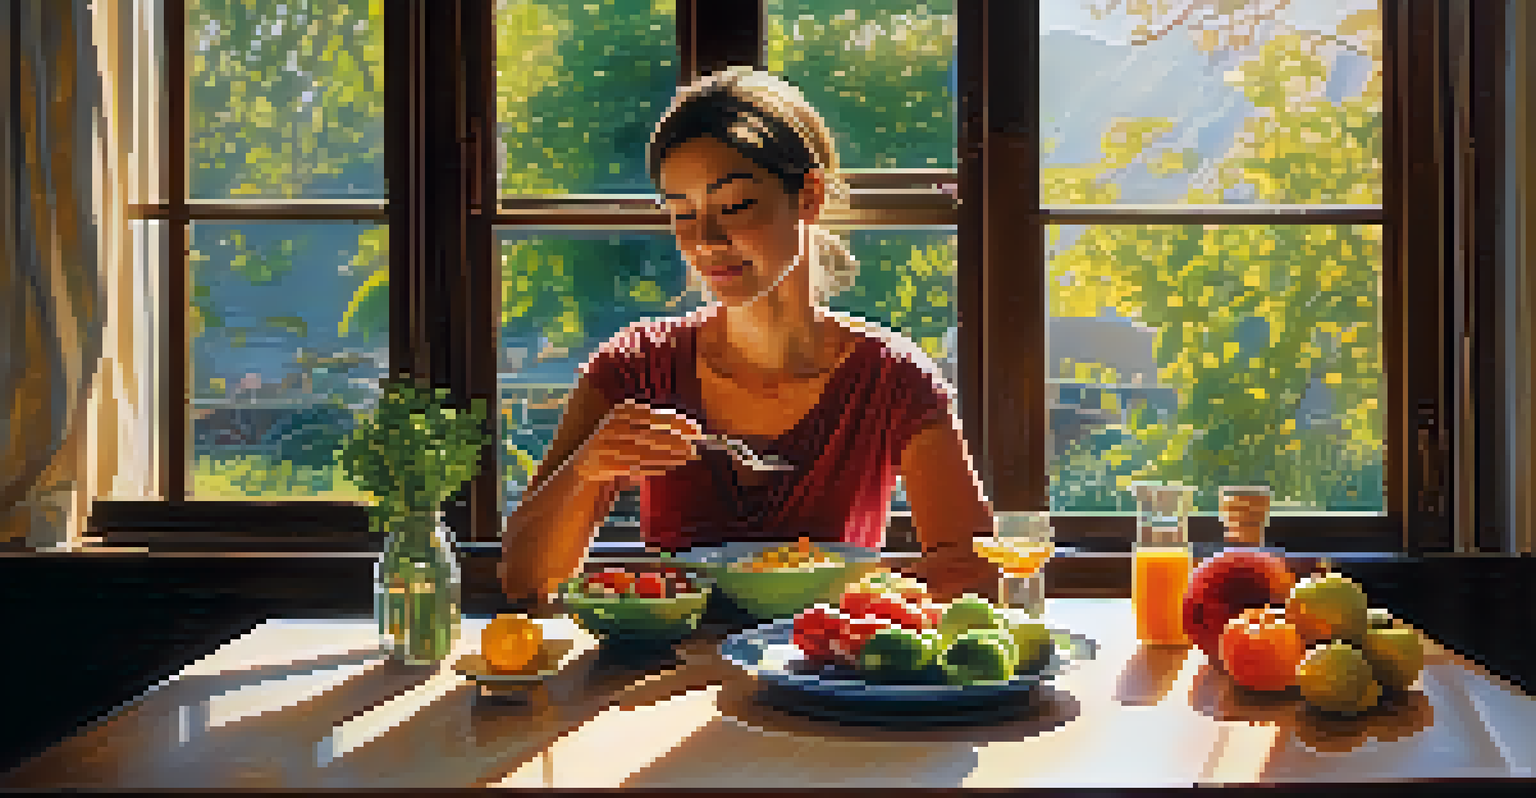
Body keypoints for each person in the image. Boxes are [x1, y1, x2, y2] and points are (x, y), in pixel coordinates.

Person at [501, 66, 999, 606]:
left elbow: (974, 572)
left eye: (734, 206)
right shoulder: (634, 367)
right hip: (654, 680)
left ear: (807, 197)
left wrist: (869, 599)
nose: (706, 240)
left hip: (822, 674)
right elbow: (526, 582)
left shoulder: (892, 379)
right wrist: (586, 468)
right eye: (682, 213)